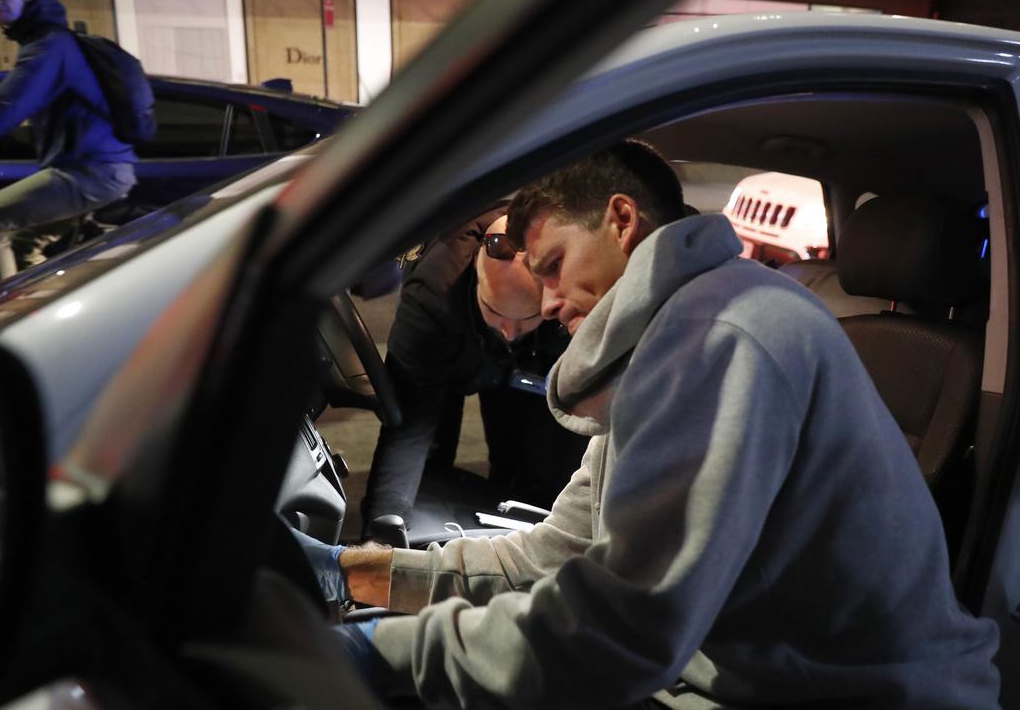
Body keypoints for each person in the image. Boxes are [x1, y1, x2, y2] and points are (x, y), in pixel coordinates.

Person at [316, 140, 1000, 709]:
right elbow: (551, 558)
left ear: (621, 221)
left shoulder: (725, 335)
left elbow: (624, 632)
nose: (549, 302)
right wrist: (359, 572)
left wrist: (382, 654)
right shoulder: (660, 348)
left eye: (554, 266)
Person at [360, 206, 588, 533]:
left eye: (525, 318)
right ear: (478, 276)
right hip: (448, 347)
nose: (509, 332)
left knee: (537, 475)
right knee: (427, 471)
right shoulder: (433, 294)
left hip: (539, 354)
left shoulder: (572, 293)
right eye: (497, 313)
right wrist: (382, 531)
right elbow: (409, 429)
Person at [0, 0, 137, 269]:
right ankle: (36, 307)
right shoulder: (46, 41)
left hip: (90, 173)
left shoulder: (48, 47)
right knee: (24, 243)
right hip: (95, 170)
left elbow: (5, 110)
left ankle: (9, 319)